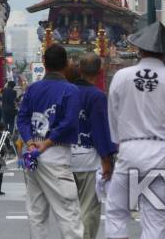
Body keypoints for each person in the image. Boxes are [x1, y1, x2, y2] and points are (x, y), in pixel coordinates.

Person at [105, 22, 165, 239]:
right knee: (155, 219)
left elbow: (113, 116)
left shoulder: (122, 76)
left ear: (139, 49)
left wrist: (118, 142)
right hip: (164, 154)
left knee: (117, 211)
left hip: (129, 150)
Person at [16, 43, 83, 239]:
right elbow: (69, 122)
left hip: (33, 154)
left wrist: (30, 142)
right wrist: (46, 144)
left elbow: (22, 118)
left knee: (36, 212)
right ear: (66, 64)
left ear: (44, 63)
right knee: (68, 212)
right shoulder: (71, 90)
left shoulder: (33, 89)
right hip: (55, 151)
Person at [71, 52, 116, 239]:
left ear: (79, 70)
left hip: (65, 159)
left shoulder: (67, 91)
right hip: (89, 160)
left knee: (70, 212)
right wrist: (107, 158)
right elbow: (100, 129)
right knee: (88, 210)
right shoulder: (97, 96)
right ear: (100, 71)